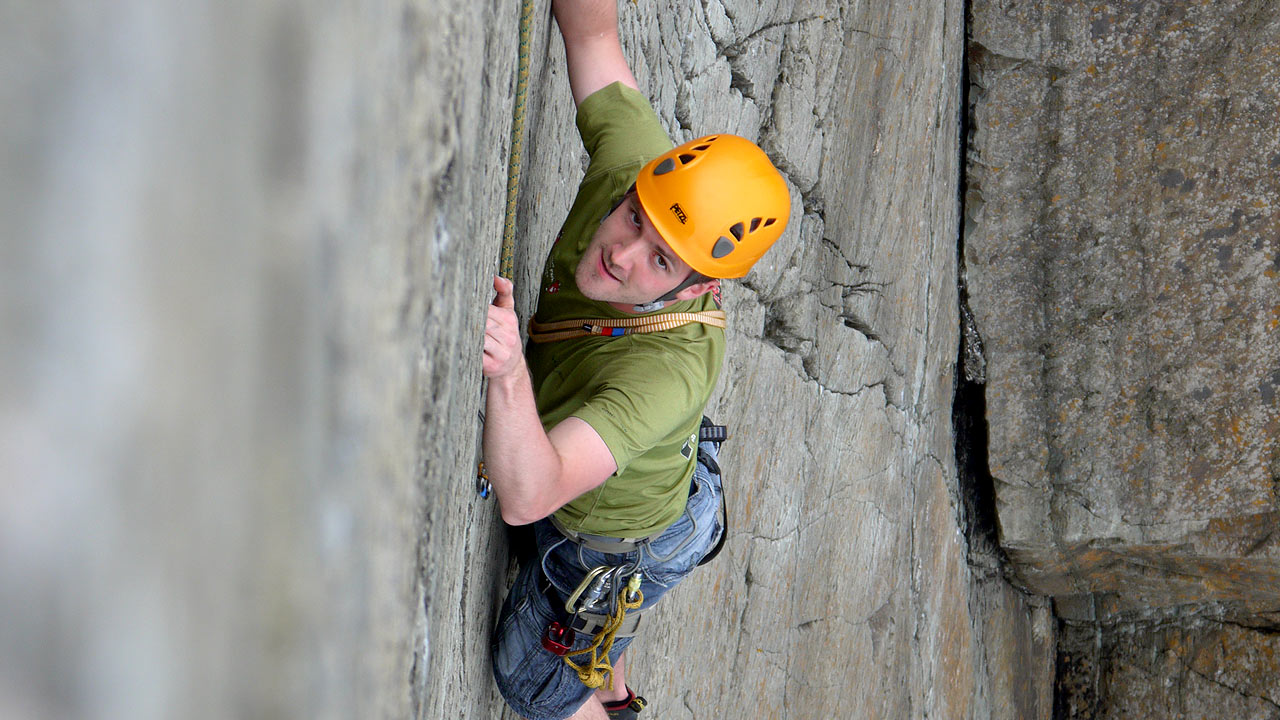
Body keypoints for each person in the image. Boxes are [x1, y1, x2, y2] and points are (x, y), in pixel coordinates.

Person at [483, 1, 790, 718]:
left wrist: (506, 374)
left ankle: (607, 698)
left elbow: (531, 494)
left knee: (533, 683)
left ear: (701, 286)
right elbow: (592, 31)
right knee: (596, 633)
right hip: (663, 477)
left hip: (613, 541)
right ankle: (612, 665)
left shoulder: (669, 373)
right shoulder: (637, 169)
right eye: (632, 217)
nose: (619, 253)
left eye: (660, 259)